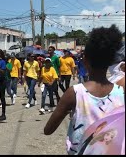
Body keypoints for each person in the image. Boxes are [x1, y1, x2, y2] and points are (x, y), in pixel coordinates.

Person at [44, 25, 125, 155]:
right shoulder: (121, 92)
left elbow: (48, 130)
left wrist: (68, 110)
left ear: (85, 60)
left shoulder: (74, 93)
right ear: (110, 61)